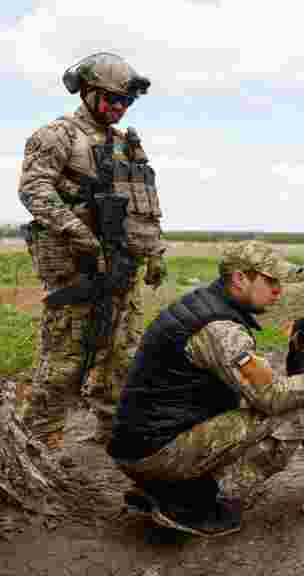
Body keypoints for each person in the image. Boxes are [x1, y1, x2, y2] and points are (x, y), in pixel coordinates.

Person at [107, 240, 304, 537]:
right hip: (156, 452)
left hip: (144, 443)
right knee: (291, 417)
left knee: (251, 405)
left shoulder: (202, 305)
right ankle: (191, 500)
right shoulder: (221, 328)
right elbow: (273, 397)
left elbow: (253, 385)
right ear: (240, 278)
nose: (279, 291)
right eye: (270, 281)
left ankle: (169, 485)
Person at [16, 52, 166, 455]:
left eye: (126, 102)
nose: (119, 108)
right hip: (77, 271)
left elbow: (143, 202)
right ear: (88, 92)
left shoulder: (125, 144)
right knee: (64, 362)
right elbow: (33, 190)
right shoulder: (57, 136)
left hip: (123, 268)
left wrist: (155, 252)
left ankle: (111, 432)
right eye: (112, 99)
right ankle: (38, 444)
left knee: (122, 358)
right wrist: (77, 231)